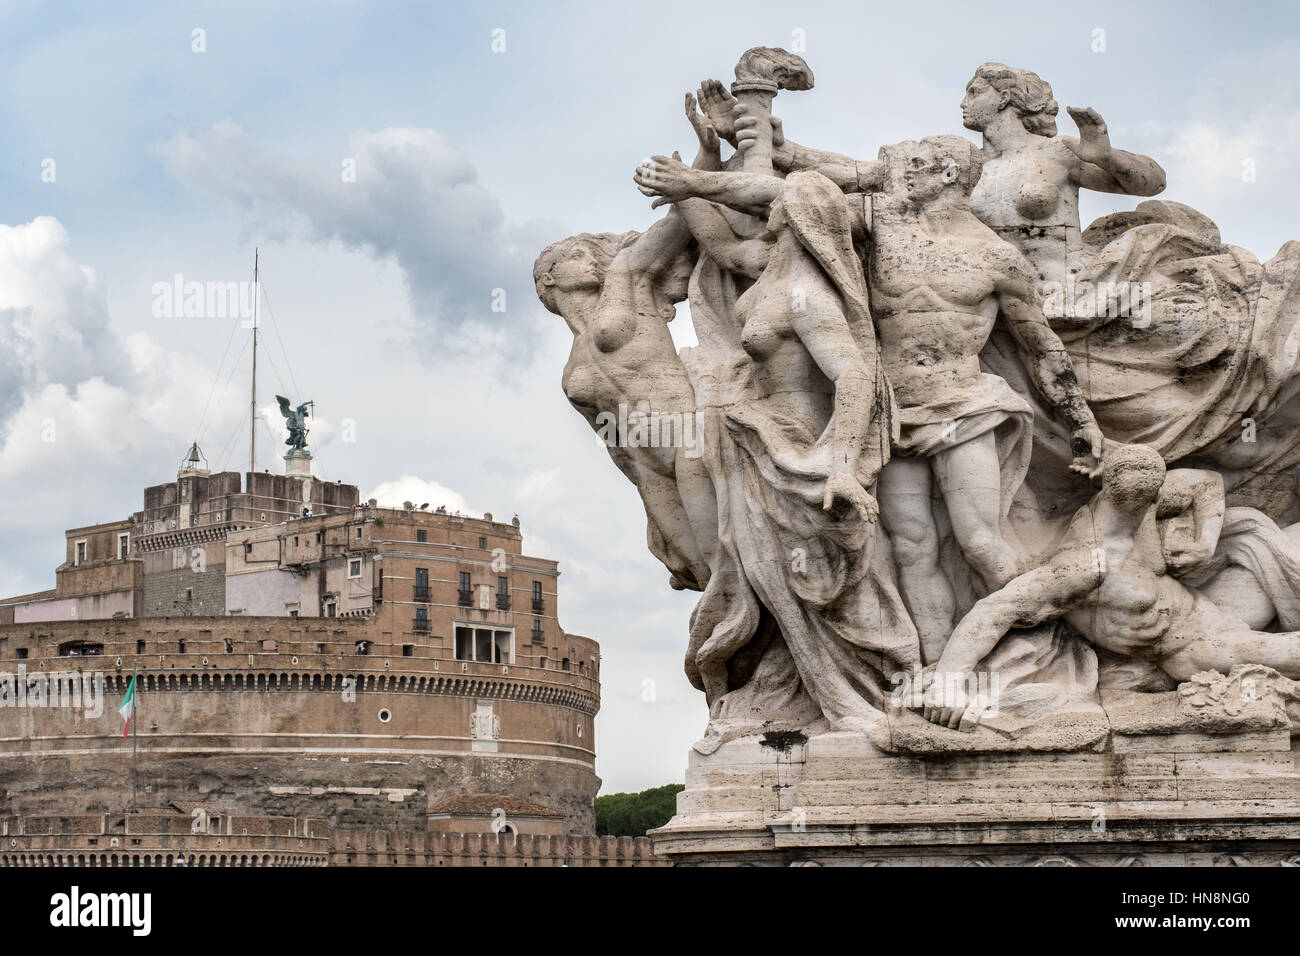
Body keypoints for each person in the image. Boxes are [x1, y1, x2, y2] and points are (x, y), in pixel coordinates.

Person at [636, 135, 1104, 662]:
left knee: (981, 542)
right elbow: (789, 195)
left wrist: (1080, 419)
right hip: (892, 414)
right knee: (913, 550)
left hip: (965, 407)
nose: (898, 174)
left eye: (914, 165)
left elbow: (1039, 344)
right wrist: (696, 185)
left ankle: (1035, 653)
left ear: (948, 174)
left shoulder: (998, 258)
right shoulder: (881, 222)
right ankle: (932, 671)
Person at [920, 443, 1300, 728]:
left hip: (1213, 607)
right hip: (1198, 649)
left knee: (1283, 541)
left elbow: (1207, 484)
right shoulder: (1086, 566)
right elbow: (993, 610)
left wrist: (1205, 542)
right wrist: (946, 685)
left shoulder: (1144, 504)